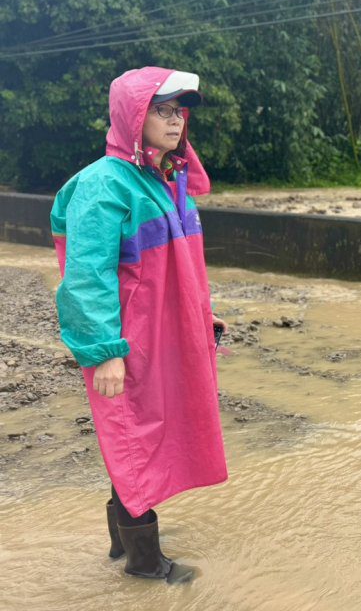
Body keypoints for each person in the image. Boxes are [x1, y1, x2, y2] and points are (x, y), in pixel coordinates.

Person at [51, 67, 228, 584]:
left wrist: (202, 311)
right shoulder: (103, 185)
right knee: (133, 435)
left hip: (167, 336)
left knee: (147, 431)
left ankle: (119, 547)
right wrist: (103, 349)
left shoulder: (164, 179)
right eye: (162, 110)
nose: (175, 122)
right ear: (134, 115)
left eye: (179, 112)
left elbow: (179, 262)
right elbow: (87, 275)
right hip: (129, 342)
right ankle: (145, 567)